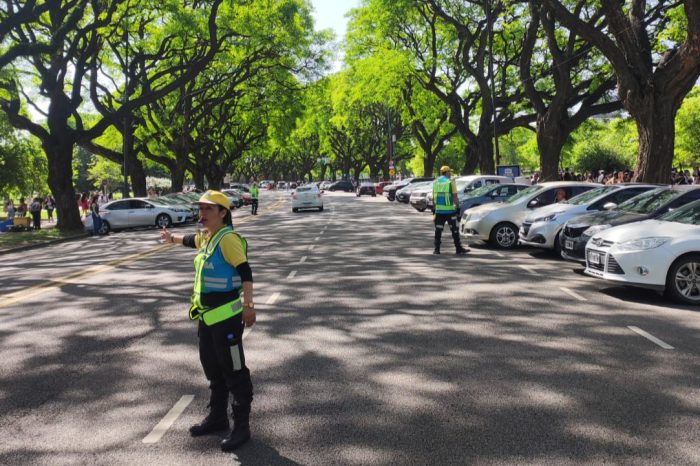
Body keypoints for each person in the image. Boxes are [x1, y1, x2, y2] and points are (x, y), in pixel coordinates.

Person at [160, 190, 255, 452]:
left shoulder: (228, 239)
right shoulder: (209, 238)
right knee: (213, 369)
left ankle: (242, 427)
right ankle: (217, 417)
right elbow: (191, 240)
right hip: (207, 318)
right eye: (200, 209)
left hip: (227, 319)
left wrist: (249, 306)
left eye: (208, 209)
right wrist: (172, 239)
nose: (202, 214)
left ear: (223, 213)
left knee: (234, 371)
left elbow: (246, 273)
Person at [432, 166, 469, 255]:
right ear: (447, 172)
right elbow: (455, 196)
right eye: (450, 172)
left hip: (439, 210)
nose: (451, 174)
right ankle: (458, 248)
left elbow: (434, 196)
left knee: (438, 230)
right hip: (450, 210)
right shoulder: (451, 181)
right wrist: (458, 207)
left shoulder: (436, 182)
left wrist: (434, 209)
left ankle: (436, 249)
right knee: (454, 230)